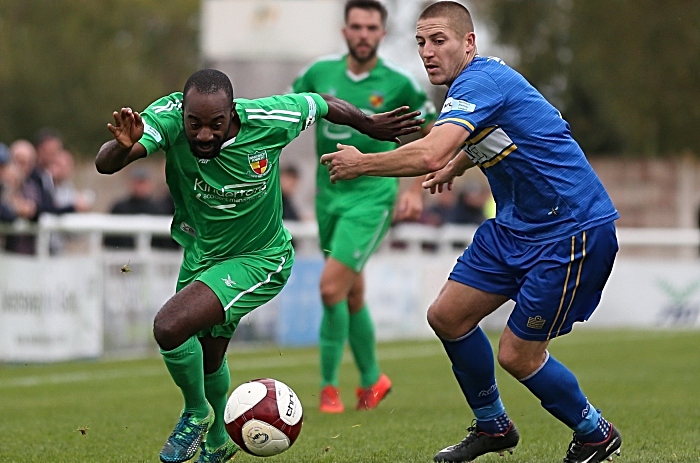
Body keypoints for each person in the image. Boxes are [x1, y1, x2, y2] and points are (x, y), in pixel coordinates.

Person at [320, 2, 621, 463]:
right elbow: (516, 126)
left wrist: (362, 164)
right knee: (447, 316)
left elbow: (428, 154)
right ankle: (493, 425)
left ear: (469, 43)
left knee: (518, 355)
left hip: (570, 229)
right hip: (517, 227)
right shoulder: (479, 82)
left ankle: (595, 432)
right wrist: (459, 163)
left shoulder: (480, 81)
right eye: (420, 42)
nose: (427, 51)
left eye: (438, 40)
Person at [95, 68, 422, 463]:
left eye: (214, 125)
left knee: (169, 326)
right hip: (202, 255)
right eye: (194, 124)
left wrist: (368, 124)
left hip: (261, 258)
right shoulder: (167, 115)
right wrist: (121, 147)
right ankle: (217, 442)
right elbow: (107, 162)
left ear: (232, 113)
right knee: (209, 356)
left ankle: (196, 413)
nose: (202, 135)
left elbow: (322, 104)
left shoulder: (269, 118)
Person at [292, 0, 437, 414]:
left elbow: (429, 135)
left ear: (382, 34)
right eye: (356, 26)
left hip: (373, 197)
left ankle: (327, 388)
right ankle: (373, 380)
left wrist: (413, 190)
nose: (363, 34)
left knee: (329, 287)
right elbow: (287, 113)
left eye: (371, 27)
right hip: (329, 196)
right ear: (345, 32)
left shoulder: (401, 83)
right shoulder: (318, 74)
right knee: (352, 295)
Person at [103, 167, 179, 250]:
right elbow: (109, 240)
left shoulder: (160, 209)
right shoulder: (119, 208)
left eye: (143, 182)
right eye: (137, 182)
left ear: (150, 184)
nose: (140, 186)